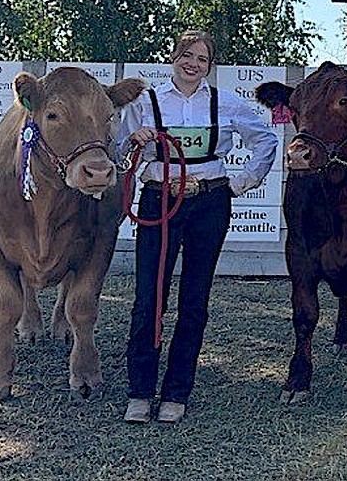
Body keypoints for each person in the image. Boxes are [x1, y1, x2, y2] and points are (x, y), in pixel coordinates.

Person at [118, 30, 280, 424]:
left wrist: (238, 183)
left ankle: (177, 391)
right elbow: (118, 148)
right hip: (160, 198)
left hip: (208, 202)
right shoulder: (146, 102)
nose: (193, 64)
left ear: (210, 66)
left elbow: (266, 141)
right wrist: (134, 141)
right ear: (174, 57)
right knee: (148, 297)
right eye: (186, 55)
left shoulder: (226, 103)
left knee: (194, 298)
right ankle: (140, 390)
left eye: (202, 59)